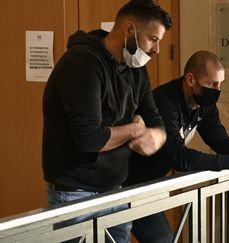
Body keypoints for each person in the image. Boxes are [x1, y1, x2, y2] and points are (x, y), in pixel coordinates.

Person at [42, 0, 171, 242]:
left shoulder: (136, 69)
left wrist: (157, 136)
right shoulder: (83, 63)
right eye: (153, 39)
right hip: (75, 194)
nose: (157, 50)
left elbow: (157, 122)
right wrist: (134, 129)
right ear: (130, 30)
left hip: (115, 189)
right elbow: (89, 138)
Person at [124, 50, 229, 242]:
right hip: (122, 185)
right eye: (212, 84)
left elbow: (220, 141)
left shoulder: (205, 104)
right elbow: (178, 156)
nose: (217, 90)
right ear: (191, 79)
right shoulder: (164, 101)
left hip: (147, 187)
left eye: (220, 85)